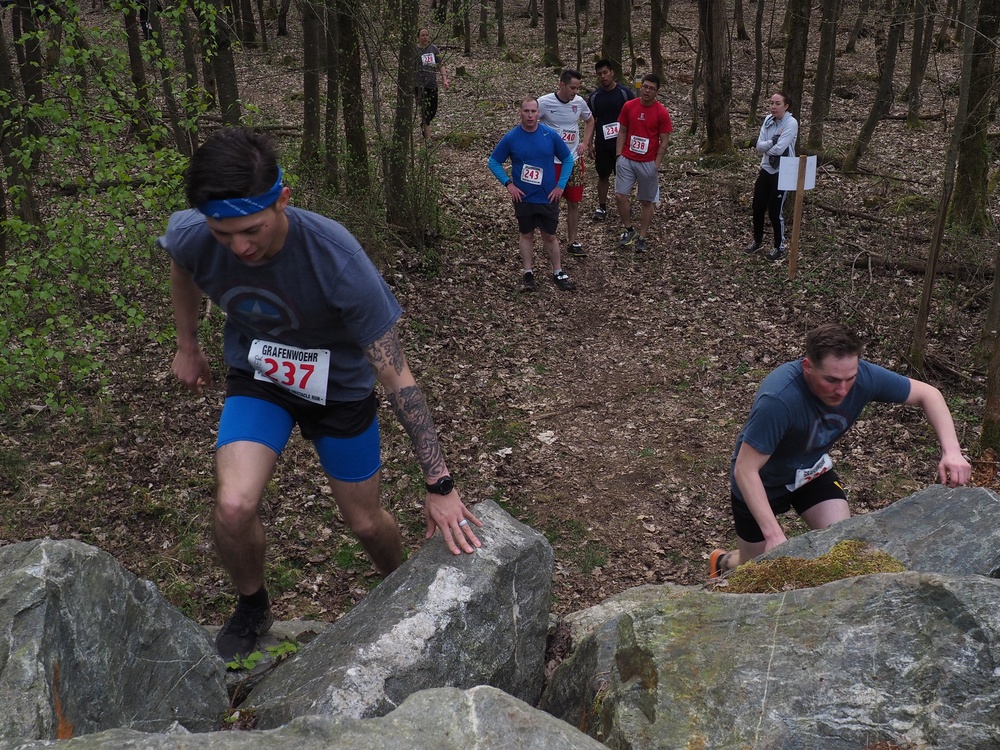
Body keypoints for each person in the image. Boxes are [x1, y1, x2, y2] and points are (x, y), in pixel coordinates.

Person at [159, 127, 482, 660]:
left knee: (365, 523)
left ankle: (397, 588)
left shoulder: (337, 259)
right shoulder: (196, 234)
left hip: (340, 392)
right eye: (223, 234)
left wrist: (440, 482)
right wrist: (187, 344)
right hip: (260, 378)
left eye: (252, 230)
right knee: (235, 505)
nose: (238, 247)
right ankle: (253, 605)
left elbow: (397, 374)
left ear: (283, 200)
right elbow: (183, 263)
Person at [709, 324, 972, 578]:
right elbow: (745, 469)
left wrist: (952, 452)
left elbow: (929, 394)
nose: (842, 390)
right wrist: (774, 534)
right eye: (831, 380)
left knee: (841, 546)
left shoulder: (864, 377)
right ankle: (722, 561)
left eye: (850, 378)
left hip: (812, 474)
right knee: (753, 569)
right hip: (760, 484)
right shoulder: (779, 399)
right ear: (808, 367)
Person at [488, 97, 577, 292]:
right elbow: (493, 162)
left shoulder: (549, 135)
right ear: (520, 113)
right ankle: (528, 273)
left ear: (539, 113)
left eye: (533, 111)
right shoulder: (512, 137)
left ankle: (558, 272)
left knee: (550, 235)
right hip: (524, 197)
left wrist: (560, 186)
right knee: (526, 234)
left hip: (548, 196)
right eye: (526, 111)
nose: (530, 115)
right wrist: (509, 184)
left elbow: (567, 159)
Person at [537, 70, 594, 258]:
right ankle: (549, 240)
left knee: (574, 202)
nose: (575, 92)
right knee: (551, 203)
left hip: (574, 161)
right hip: (552, 162)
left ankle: (572, 241)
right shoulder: (544, 102)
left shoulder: (579, 103)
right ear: (561, 85)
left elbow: (590, 120)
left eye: (577, 88)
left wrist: (585, 143)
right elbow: (529, 123)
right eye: (572, 87)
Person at [615, 74, 672, 254]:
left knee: (646, 201)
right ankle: (629, 229)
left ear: (657, 91)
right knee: (620, 195)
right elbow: (622, 130)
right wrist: (618, 155)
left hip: (648, 162)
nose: (647, 90)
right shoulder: (629, 106)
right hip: (627, 159)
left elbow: (664, 139)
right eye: (645, 86)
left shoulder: (661, 112)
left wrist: (656, 164)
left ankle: (642, 236)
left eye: (651, 88)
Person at [744, 91, 798, 262]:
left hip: (783, 170)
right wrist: (772, 141)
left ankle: (778, 246)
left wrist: (771, 145)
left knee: (775, 212)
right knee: (757, 206)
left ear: (786, 106)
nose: (773, 107)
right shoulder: (768, 120)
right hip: (766, 167)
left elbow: (779, 149)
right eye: (771, 103)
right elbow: (759, 146)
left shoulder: (791, 123)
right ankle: (758, 241)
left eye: (777, 104)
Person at [587, 60, 633, 222]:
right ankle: (602, 206)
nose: (603, 76)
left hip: (623, 144)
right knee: (603, 175)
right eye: (599, 74)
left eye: (605, 72)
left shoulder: (624, 93)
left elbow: (633, 117)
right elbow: (590, 121)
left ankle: (625, 205)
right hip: (603, 144)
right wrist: (590, 144)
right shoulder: (594, 98)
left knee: (624, 176)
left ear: (612, 72)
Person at [415, 28, 450, 140]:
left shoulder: (434, 49)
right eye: (422, 35)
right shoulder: (415, 51)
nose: (425, 37)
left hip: (432, 84)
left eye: (426, 35)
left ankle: (424, 125)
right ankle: (428, 138)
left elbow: (440, 65)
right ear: (418, 37)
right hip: (419, 85)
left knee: (433, 110)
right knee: (425, 110)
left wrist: (444, 79)